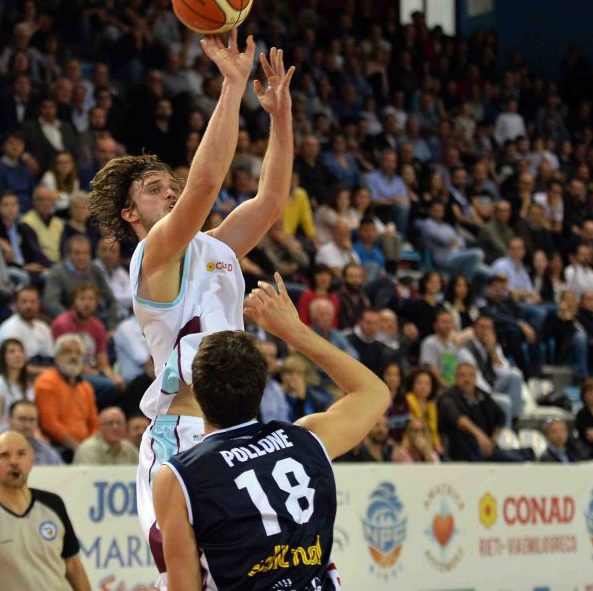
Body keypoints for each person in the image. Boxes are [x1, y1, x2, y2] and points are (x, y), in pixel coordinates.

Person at [88, 39, 295, 580]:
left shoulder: (215, 248)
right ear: (131, 213)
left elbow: (271, 202)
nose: (171, 193)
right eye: (155, 190)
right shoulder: (152, 254)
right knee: (189, 578)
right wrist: (232, 85)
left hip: (236, 429)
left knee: (245, 574)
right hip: (181, 436)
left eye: (171, 186)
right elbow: (205, 185)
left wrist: (280, 116)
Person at [153, 273, 390, 590]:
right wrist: (294, 332)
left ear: (195, 392)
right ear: (263, 389)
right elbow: (374, 392)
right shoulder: (307, 439)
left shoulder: (178, 476)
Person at [0, 430, 91, 591]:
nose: (14, 461)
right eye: (4, 455)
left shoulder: (54, 504)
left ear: (31, 462)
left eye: (21, 454)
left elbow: (73, 564)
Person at [436, 362, 508, 462]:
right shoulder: (448, 397)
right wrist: (480, 436)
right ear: (455, 378)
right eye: (462, 375)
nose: (467, 379)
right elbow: (458, 418)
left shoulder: (482, 395)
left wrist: (492, 440)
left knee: (519, 459)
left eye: (471, 375)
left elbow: (501, 416)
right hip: (459, 450)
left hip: (484, 449)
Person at [0, 285, 54, 375]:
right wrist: (48, 372)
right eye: (24, 302)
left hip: (37, 369)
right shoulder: (10, 329)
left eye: (33, 302)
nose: (29, 306)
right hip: (8, 374)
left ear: (39, 304)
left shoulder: (43, 327)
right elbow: (12, 366)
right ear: (16, 304)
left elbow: (49, 357)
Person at [72, 406, 139, 465]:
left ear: (125, 427)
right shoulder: (88, 449)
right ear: (100, 427)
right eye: (110, 423)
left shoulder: (130, 449)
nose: (115, 427)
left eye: (119, 423)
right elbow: (88, 474)